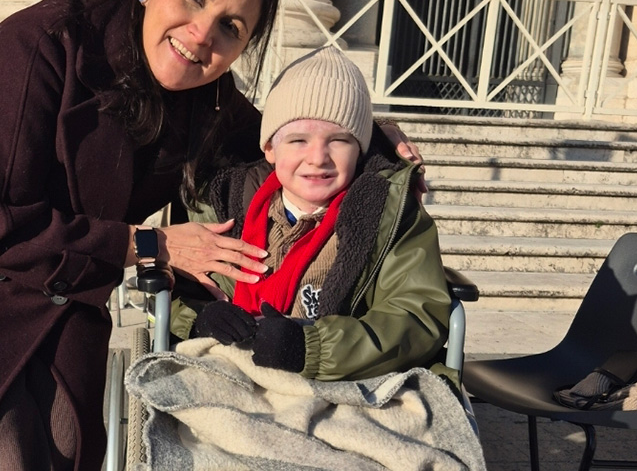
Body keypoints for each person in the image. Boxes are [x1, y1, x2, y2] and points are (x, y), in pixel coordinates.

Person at [0, 0, 424, 471]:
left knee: (66, 442)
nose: (203, 33)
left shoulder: (210, 98)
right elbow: (2, 227)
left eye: (231, 26)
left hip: (65, 272)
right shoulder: (41, 43)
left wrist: (373, 142)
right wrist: (153, 244)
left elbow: (283, 140)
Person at [169, 45, 452, 383]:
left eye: (339, 141)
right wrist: (200, 319)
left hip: (341, 380)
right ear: (270, 149)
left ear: (360, 150)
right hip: (231, 371)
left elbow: (415, 315)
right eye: (298, 140)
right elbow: (172, 294)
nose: (318, 158)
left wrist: (312, 347)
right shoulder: (220, 203)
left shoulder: (390, 214)